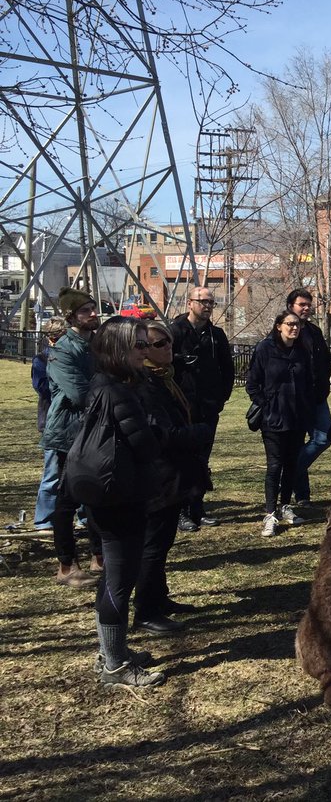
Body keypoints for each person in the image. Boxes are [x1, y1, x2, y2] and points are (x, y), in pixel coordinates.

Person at [83, 317, 168, 688]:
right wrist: (158, 430)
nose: (145, 351)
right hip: (119, 497)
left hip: (106, 494)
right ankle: (116, 666)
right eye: (138, 345)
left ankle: (112, 651)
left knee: (113, 577)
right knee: (120, 580)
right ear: (119, 350)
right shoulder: (119, 392)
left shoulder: (102, 384)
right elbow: (146, 446)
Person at [133, 321, 210, 635]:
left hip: (173, 473)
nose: (169, 348)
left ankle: (159, 598)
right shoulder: (145, 385)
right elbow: (160, 434)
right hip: (157, 476)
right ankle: (146, 611)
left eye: (168, 341)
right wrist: (198, 433)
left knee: (163, 541)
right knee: (153, 544)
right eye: (159, 344)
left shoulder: (166, 377)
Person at [46, 287, 102, 588]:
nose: (93, 314)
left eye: (94, 308)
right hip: (70, 433)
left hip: (95, 429)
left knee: (97, 495)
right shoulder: (62, 351)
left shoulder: (97, 343)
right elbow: (80, 394)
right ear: (70, 317)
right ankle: (67, 565)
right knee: (67, 500)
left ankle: (99, 556)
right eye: (85, 310)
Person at [169, 285, 234, 531]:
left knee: (202, 458)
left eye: (211, 302)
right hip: (182, 407)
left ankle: (197, 508)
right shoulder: (175, 331)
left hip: (208, 407)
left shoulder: (216, 335)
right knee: (183, 458)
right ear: (189, 303)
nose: (207, 306)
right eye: (202, 301)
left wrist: (221, 398)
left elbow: (227, 370)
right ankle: (181, 511)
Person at [246, 312, 314, 537]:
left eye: (297, 325)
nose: (294, 328)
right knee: (274, 466)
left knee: (291, 465)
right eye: (290, 324)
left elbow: (309, 382)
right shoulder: (265, 349)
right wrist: (266, 405)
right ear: (278, 326)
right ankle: (270, 512)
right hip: (273, 420)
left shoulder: (302, 351)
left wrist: (306, 406)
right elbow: (252, 384)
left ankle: (286, 505)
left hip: (297, 418)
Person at [289, 288, 331, 512]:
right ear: (291, 307)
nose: (306, 308)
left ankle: (289, 472)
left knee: (324, 437)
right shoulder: (285, 330)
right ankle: (302, 495)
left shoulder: (314, 332)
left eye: (308, 304)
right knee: (297, 444)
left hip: (317, 397)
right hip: (295, 399)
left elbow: (324, 359)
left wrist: (323, 381)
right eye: (301, 304)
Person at [32, 317, 68, 531]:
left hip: (72, 421)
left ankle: (83, 517)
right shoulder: (41, 360)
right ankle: (44, 519)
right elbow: (43, 387)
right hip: (52, 421)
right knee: (52, 473)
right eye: (57, 338)